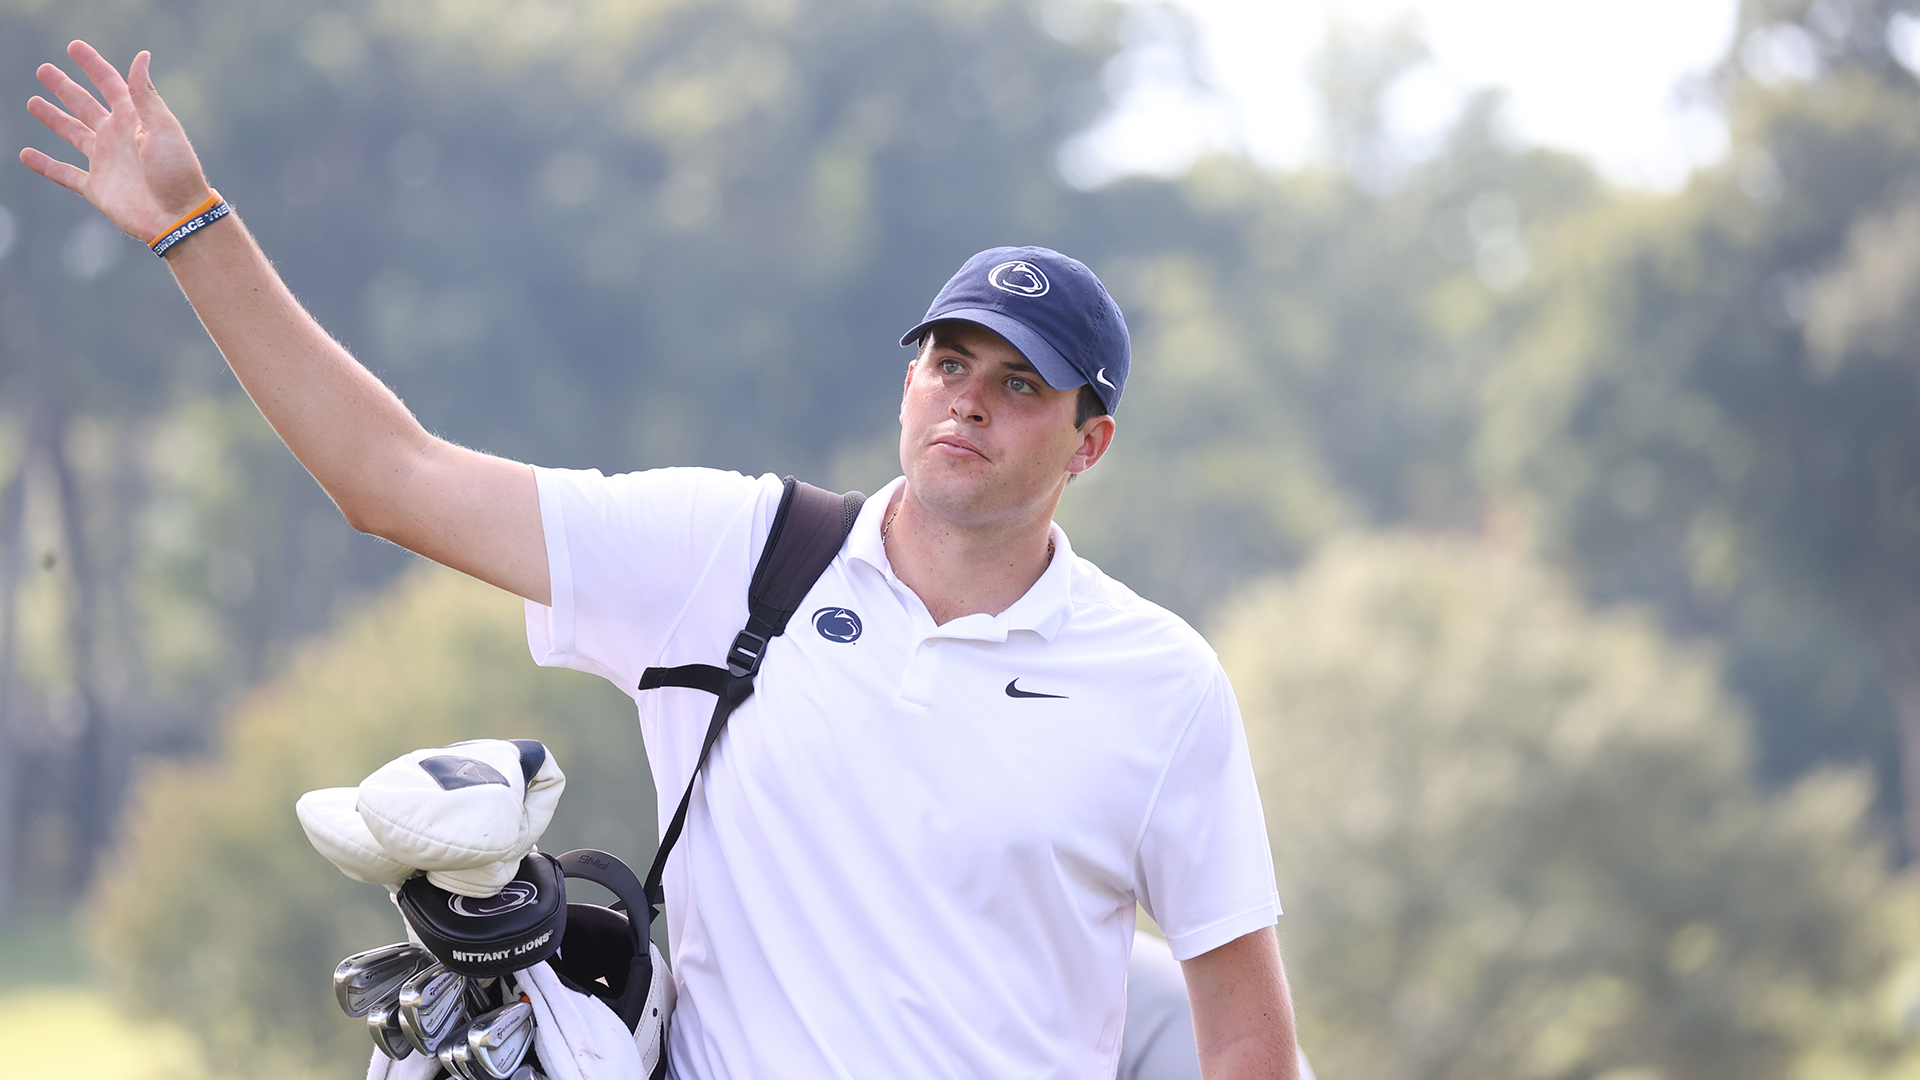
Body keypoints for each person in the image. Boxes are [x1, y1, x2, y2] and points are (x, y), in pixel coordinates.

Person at [21, 41, 1301, 1080]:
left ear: (1091, 442)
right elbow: (392, 479)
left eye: (1021, 384)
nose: (968, 398)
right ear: (908, 381)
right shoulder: (737, 558)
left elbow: (1247, 1039)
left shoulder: (1160, 682)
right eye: (949, 361)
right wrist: (192, 224)